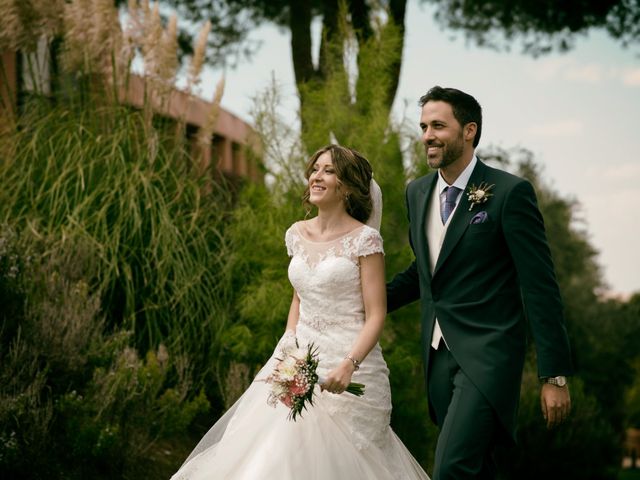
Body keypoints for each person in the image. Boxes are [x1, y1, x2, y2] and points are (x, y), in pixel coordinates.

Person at [172, 144, 430, 479]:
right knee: (276, 456)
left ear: (348, 187)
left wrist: (349, 365)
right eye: (315, 169)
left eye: (329, 170)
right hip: (297, 358)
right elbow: (300, 297)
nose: (317, 176)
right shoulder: (297, 233)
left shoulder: (365, 240)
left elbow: (376, 314)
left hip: (348, 364)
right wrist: (288, 341)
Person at [386, 86, 573, 479]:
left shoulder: (509, 193)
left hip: (489, 355)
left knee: (452, 467)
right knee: (478, 468)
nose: (427, 136)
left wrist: (554, 374)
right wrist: (358, 303)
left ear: (469, 130)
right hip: (437, 356)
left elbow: (540, 286)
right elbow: (424, 272)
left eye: (438, 125)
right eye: (423, 127)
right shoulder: (417, 193)